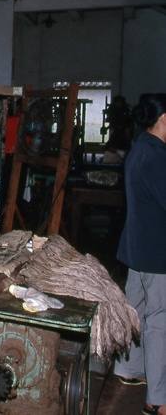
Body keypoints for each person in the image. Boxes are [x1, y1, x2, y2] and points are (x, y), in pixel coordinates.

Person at [113, 93, 166, 415]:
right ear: (164, 118)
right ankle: (158, 399)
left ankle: (129, 369)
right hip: (156, 254)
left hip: (135, 248)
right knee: (159, 321)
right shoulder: (157, 156)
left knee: (136, 312)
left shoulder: (140, 149)